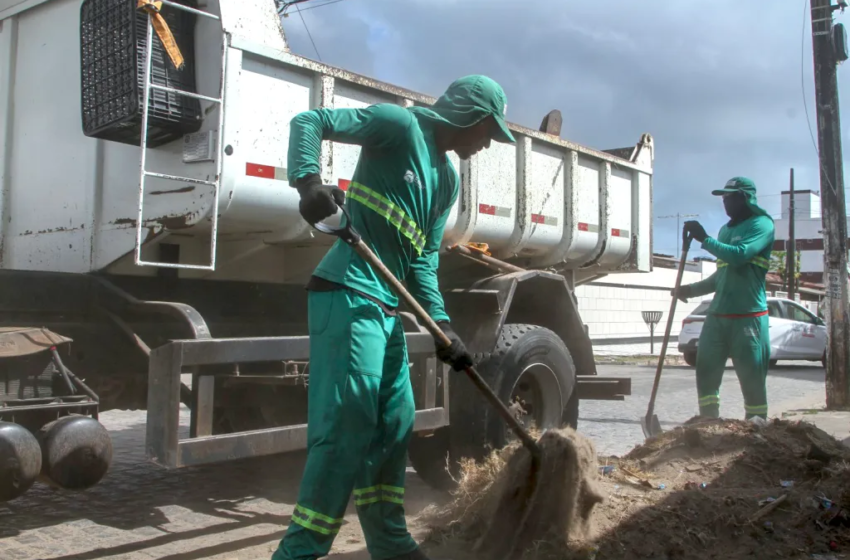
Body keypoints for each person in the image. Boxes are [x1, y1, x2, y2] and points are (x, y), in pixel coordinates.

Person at [272, 75, 516, 560]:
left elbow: (423, 259)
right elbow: (309, 121)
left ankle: (388, 541)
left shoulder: (446, 180)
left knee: (396, 422)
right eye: (489, 131)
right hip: (346, 290)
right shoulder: (397, 125)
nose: (487, 143)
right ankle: (300, 549)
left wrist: (441, 324)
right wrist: (307, 184)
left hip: (385, 305)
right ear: (470, 115)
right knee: (349, 420)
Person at [672, 177, 775, 421]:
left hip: (748, 317)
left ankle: (757, 429)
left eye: (730, 197)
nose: (725, 202)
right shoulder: (725, 230)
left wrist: (705, 240)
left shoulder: (762, 224)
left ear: (745, 198)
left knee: (752, 380)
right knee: (705, 373)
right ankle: (709, 423)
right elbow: (720, 278)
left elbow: (740, 256)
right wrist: (687, 290)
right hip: (718, 317)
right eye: (723, 198)